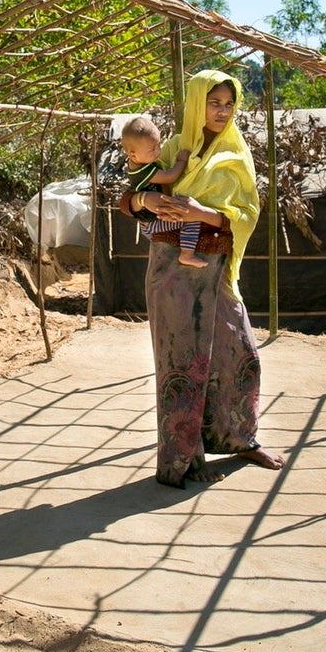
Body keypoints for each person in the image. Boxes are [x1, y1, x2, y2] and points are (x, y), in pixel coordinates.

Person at [119, 70, 286, 487]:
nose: (222, 110)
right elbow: (127, 199)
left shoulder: (237, 154)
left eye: (229, 103)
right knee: (181, 365)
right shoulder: (173, 148)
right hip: (171, 273)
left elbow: (246, 214)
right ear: (197, 103)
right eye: (214, 102)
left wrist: (199, 213)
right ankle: (182, 462)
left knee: (241, 353)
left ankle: (240, 439)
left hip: (216, 271)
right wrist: (146, 199)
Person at [120, 115, 207, 268]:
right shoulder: (143, 171)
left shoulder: (139, 162)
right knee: (192, 218)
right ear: (133, 154)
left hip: (152, 221)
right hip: (153, 224)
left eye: (158, 145)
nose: (158, 151)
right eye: (152, 150)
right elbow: (169, 177)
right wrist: (181, 161)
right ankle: (187, 254)